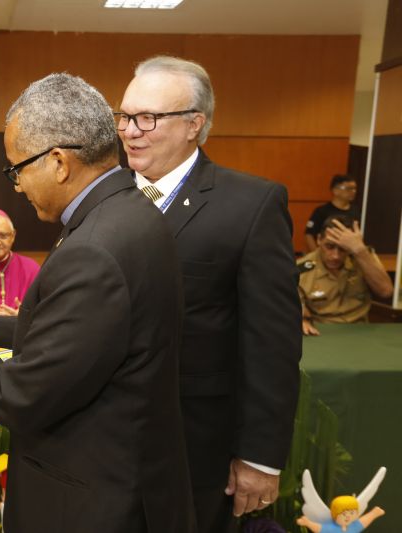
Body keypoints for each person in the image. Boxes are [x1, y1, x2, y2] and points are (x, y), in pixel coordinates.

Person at [0, 73, 195, 532]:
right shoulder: (132, 213)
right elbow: (94, 336)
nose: (15, 186)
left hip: (93, 500)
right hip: (134, 478)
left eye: (16, 169)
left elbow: (21, 396)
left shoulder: (94, 247)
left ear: (58, 162)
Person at [117, 55, 301, 533]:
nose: (130, 131)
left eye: (147, 118)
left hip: (196, 453)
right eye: (124, 117)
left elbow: (272, 344)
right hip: (106, 448)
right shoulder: (104, 198)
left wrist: (261, 458)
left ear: (194, 125)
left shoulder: (251, 205)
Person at [298, 215, 393, 335]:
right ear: (319, 240)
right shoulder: (302, 269)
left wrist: (359, 250)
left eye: (343, 249)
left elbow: (386, 291)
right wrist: (301, 320)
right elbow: (293, 308)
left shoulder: (363, 258)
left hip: (360, 332)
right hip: (321, 332)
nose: (335, 256)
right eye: (329, 246)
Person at [305, 175, 360, 252]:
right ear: (335, 190)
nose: (353, 191)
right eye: (349, 189)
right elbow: (309, 234)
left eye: (355, 189)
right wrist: (316, 254)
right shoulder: (321, 211)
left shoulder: (356, 210)